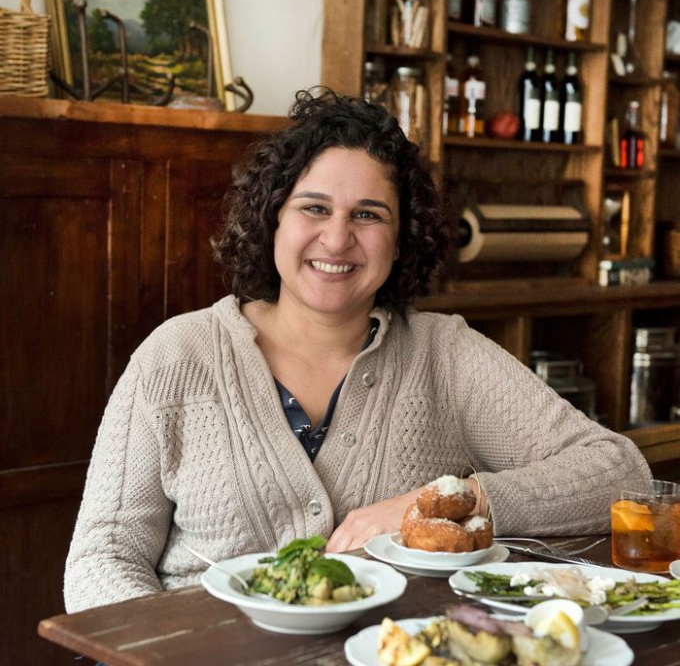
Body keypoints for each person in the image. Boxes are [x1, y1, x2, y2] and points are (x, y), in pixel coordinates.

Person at [64, 88, 651, 613]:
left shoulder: (444, 355)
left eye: (368, 215)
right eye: (314, 208)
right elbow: (101, 557)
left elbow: (619, 473)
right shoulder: (175, 358)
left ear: (401, 241)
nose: (338, 238)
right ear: (273, 220)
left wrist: (439, 503)